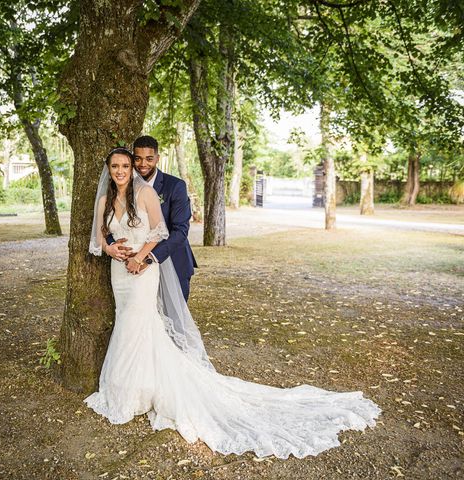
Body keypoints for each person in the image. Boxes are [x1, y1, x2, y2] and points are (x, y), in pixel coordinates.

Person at [85, 147, 381, 458]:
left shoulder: (143, 193)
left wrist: (141, 259)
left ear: (131, 167)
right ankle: (134, 388)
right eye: (115, 166)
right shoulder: (105, 200)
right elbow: (99, 237)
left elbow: (160, 231)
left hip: (143, 272)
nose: (120, 170)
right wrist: (112, 251)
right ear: (108, 169)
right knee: (127, 322)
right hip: (119, 273)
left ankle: (139, 391)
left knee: (139, 324)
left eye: (124, 165)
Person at [104, 136, 197, 301]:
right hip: (130, 267)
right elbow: (112, 222)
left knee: (173, 319)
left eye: (149, 159)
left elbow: (180, 231)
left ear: (157, 159)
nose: (143, 164)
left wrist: (147, 258)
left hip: (172, 260)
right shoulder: (122, 187)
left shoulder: (175, 186)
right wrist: (112, 244)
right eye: (138, 159)